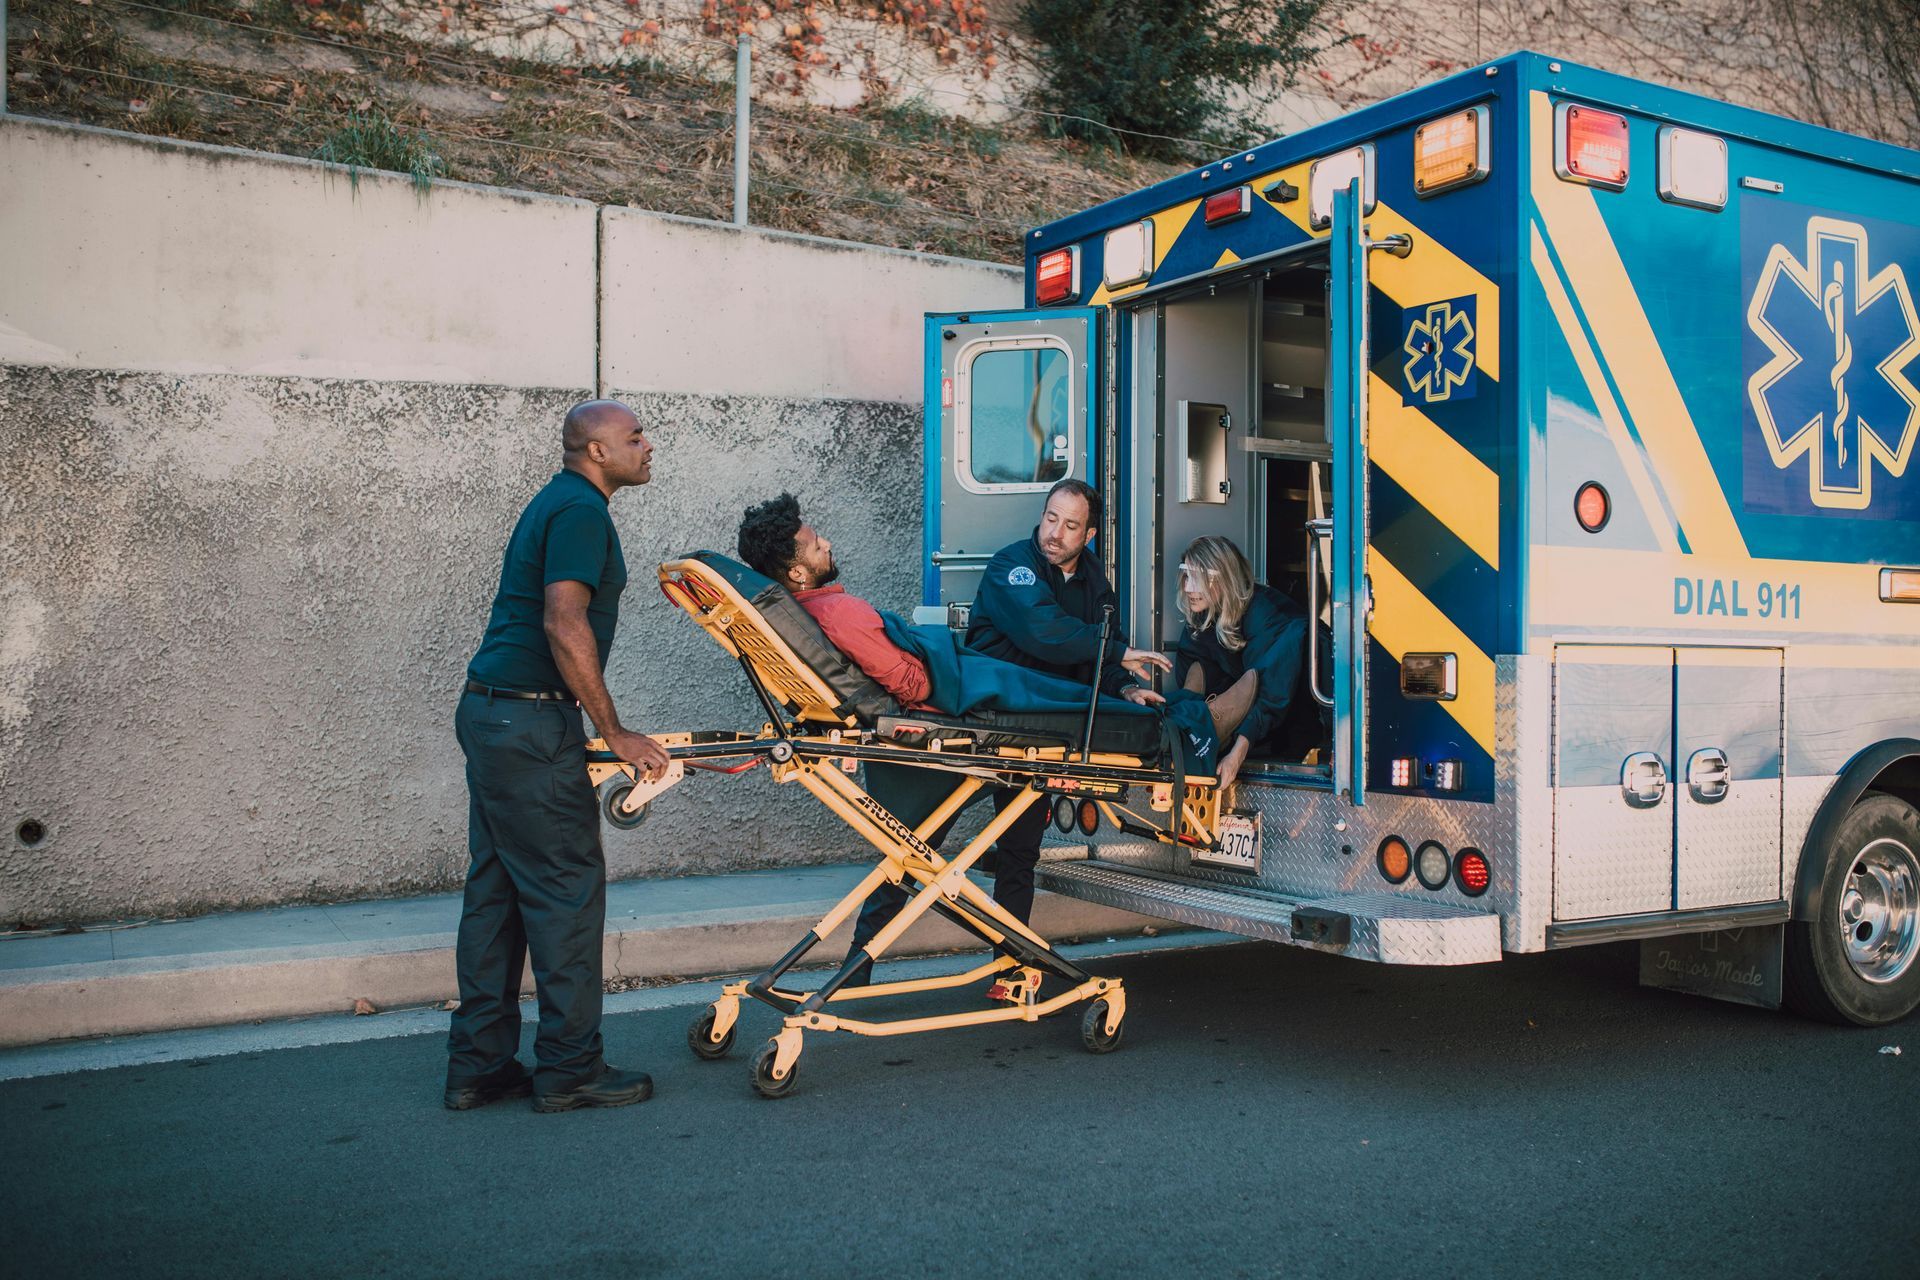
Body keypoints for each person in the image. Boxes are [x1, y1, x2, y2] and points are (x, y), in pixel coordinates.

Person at [447, 400, 669, 1113]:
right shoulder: (579, 511)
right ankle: (570, 1069)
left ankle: (478, 1067)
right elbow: (562, 618)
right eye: (633, 437)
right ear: (596, 452)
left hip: (493, 715)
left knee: (498, 895)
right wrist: (613, 732)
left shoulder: (559, 501)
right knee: (566, 891)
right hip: (531, 724)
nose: (647, 445)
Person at [736, 494, 957, 985]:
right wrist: (936, 654)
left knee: (908, 860)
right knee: (920, 857)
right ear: (797, 572)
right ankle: (1019, 951)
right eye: (816, 544)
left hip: (896, 750)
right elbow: (917, 685)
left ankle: (859, 965)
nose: (827, 545)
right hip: (932, 738)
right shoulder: (841, 612)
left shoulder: (800, 616)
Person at [964, 479, 1172, 927]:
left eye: (1070, 525)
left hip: (1040, 729)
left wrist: (1123, 687)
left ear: (1089, 535)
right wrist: (1115, 653)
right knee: (917, 841)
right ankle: (860, 964)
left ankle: (1010, 964)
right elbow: (1044, 630)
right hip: (987, 717)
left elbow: (1097, 652)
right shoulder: (1013, 566)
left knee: (1020, 849)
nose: (1054, 533)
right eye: (1050, 518)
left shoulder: (1095, 581)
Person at [1172, 535, 1311, 791]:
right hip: (1269, 715)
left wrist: (1236, 755)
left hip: (1302, 715)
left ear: (1223, 578)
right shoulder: (1204, 614)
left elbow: (1272, 690)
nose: (1189, 588)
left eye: (1198, 578)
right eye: (1186, 576)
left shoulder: (1264, 614)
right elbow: (1193, 669)